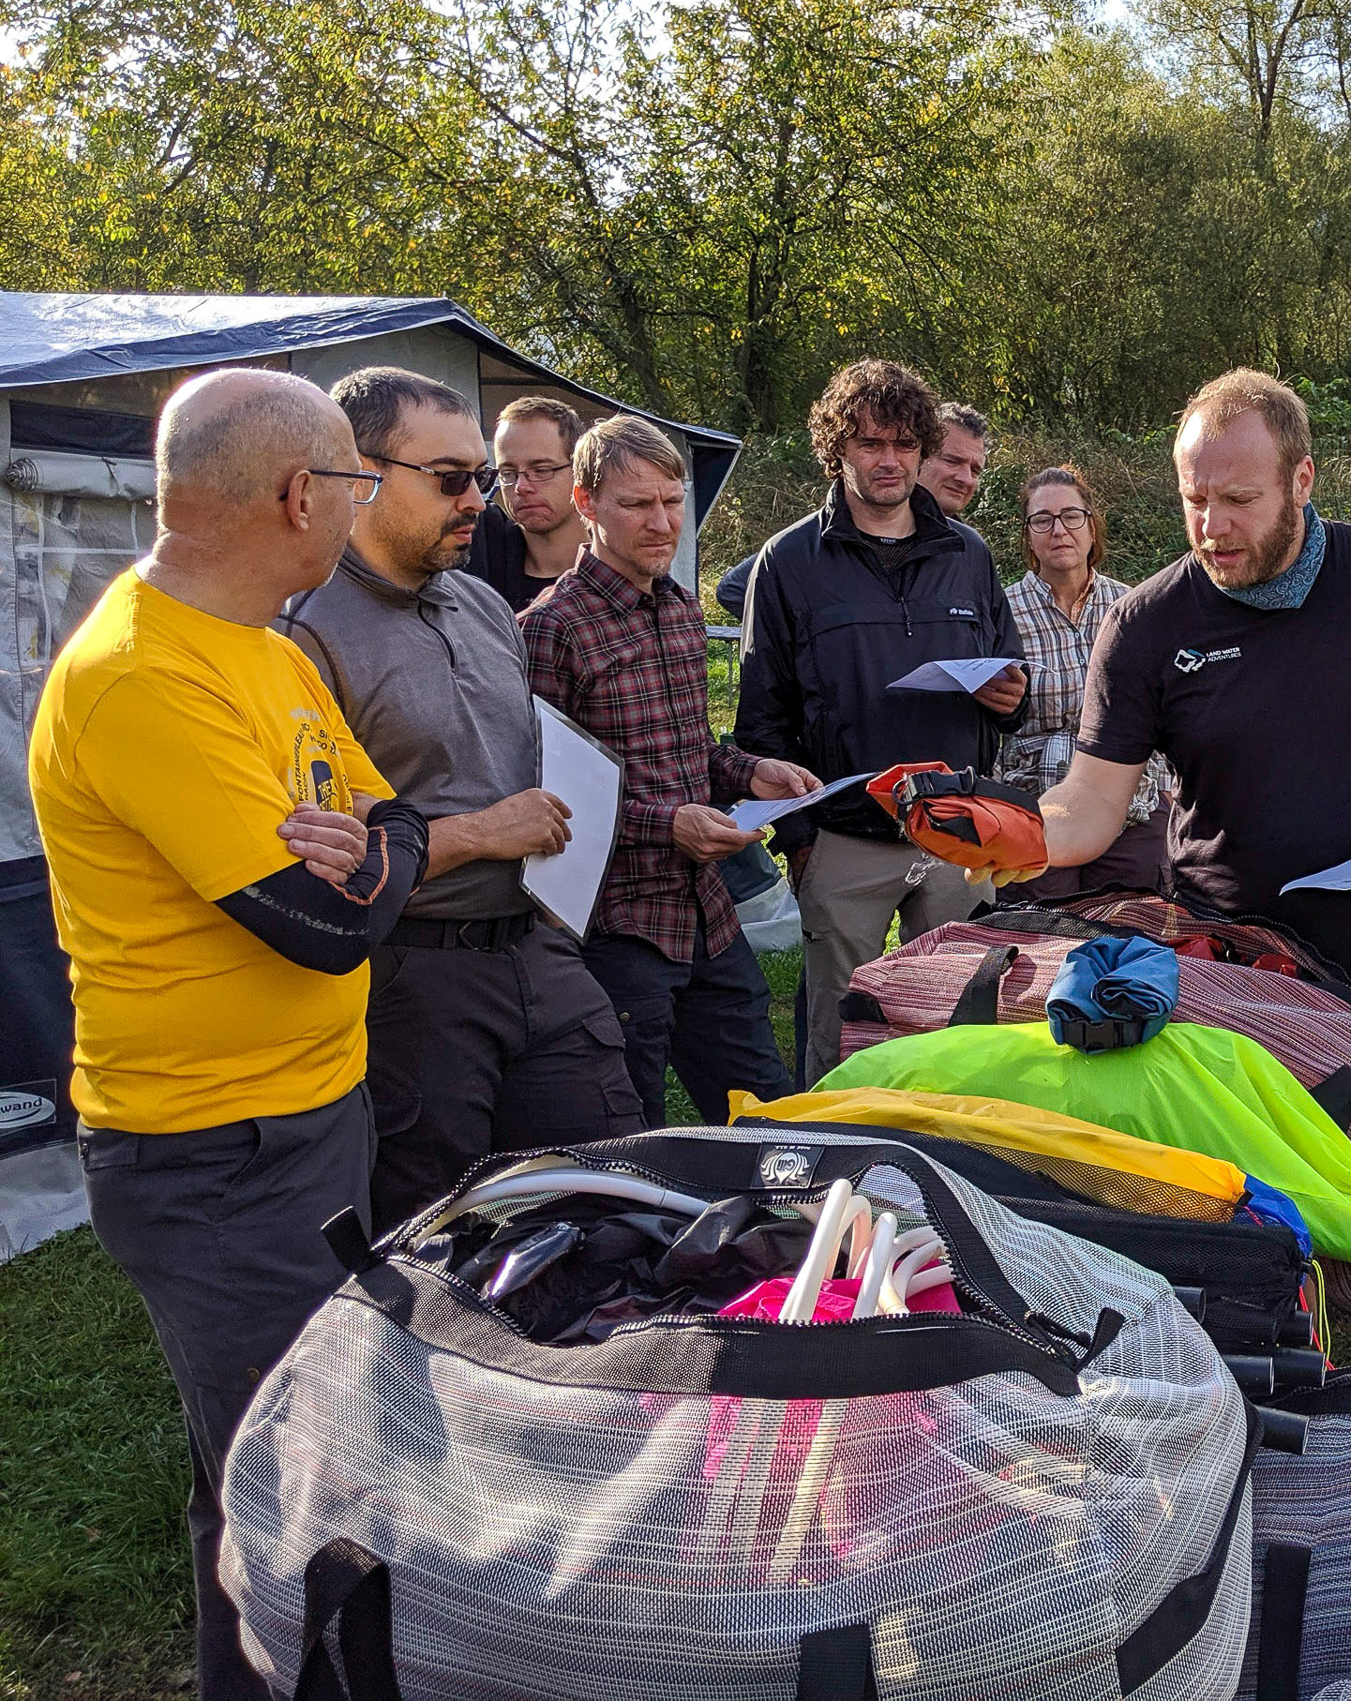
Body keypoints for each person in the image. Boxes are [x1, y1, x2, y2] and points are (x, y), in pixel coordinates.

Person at [27, 369, 429, 1699]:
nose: (360, 508)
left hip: (313, 1115)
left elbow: (398, 830)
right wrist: (364, 875)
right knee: (289, 1483)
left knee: (281, 1466)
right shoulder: (138, 676)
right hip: (213, 1157)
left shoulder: (265, 649)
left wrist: (363, 863)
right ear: (297, 494)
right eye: (356, 483)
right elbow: (315, 928)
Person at [282, 368, 644, 1227]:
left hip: (539, 950)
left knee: (615, 1193)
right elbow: (308, 855)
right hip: (415, 979)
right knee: (444, 1231)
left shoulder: (483, 605)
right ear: (358, 475)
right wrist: (480, 834)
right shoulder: (301, 630)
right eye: (450, 479)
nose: (480, 500)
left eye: (480, 478)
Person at [1039, 369, 1351, 1037]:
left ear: (1302, 480)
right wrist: (1006, 832)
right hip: (1231, 971)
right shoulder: (1144, 624)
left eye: (1238, 499)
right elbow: (1089, 805)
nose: (1211, 527)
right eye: (1193, 498)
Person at [732, 361, 1029, 1082]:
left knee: (962, 1024)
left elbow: (1010, 682)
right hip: (844, 837)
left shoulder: (968, 555)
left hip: (957, 828)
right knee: (838, 1034)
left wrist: (1007, 699)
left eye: (902, 444)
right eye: (869, 444)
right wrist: (802, 842)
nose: (888, 461)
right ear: (838, 450)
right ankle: (834, 1171)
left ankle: (952, 1164)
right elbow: (760, 717)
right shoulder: (789, 562)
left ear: (924, 448)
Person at [520, 416, 818, 1124]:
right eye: (637, 504)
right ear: (586, 505)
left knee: (767, 1116)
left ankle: (789, 1235)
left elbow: (692, 754)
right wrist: (667, 826)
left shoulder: (680, 610)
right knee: (633, 1131)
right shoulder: (550, 628)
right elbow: (540, 802)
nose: (663, 522)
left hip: (708, 917)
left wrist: (752, 772)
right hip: (618, 931)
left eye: (673, 501)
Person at [993, 465, 1175, 898]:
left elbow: (1163, 704)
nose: (1059, 530)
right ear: (1028, 537)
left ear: (1092, 528)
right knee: (1045, 942)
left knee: (1133, 932)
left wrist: (1169, 794)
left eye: (1071, 516)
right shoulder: (1001, 613)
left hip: (1132, 803)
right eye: (1043, 520)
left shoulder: (1130, 607)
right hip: (1035, 808)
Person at [713, 400, 993, 622]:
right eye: (953, 461)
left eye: (975, 470)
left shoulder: (969, 551)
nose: (966, 478)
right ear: (921, 454)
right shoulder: (834, 534)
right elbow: (734, 589)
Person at [464, 395, 588, 609]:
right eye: (508, 473)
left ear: (580, 471)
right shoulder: (475, 565)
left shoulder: (620, 565)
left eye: (541, 470)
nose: (521, 487)